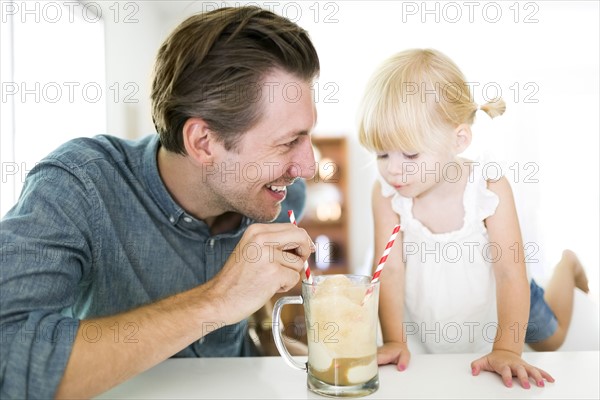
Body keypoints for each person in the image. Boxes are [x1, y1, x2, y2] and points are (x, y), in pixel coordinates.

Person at [0, 6, 320, 399]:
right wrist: (216, 301)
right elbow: (9, 359)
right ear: (203, 142)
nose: (308, 166)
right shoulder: (80, 186)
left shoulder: (281, 200)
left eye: (308, 137)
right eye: (289, 142)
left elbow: (254, 316)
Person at [357, 49, 589, 389]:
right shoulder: (387, 194)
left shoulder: (488, 186)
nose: (392, 168)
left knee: (551, 341)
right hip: (432, 305)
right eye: (381, 153)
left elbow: (510, 273)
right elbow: (389, 270)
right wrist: (395, 341)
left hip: (506, 290)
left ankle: (566, 266)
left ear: (459, 140)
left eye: (409, 154)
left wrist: (507, 349)